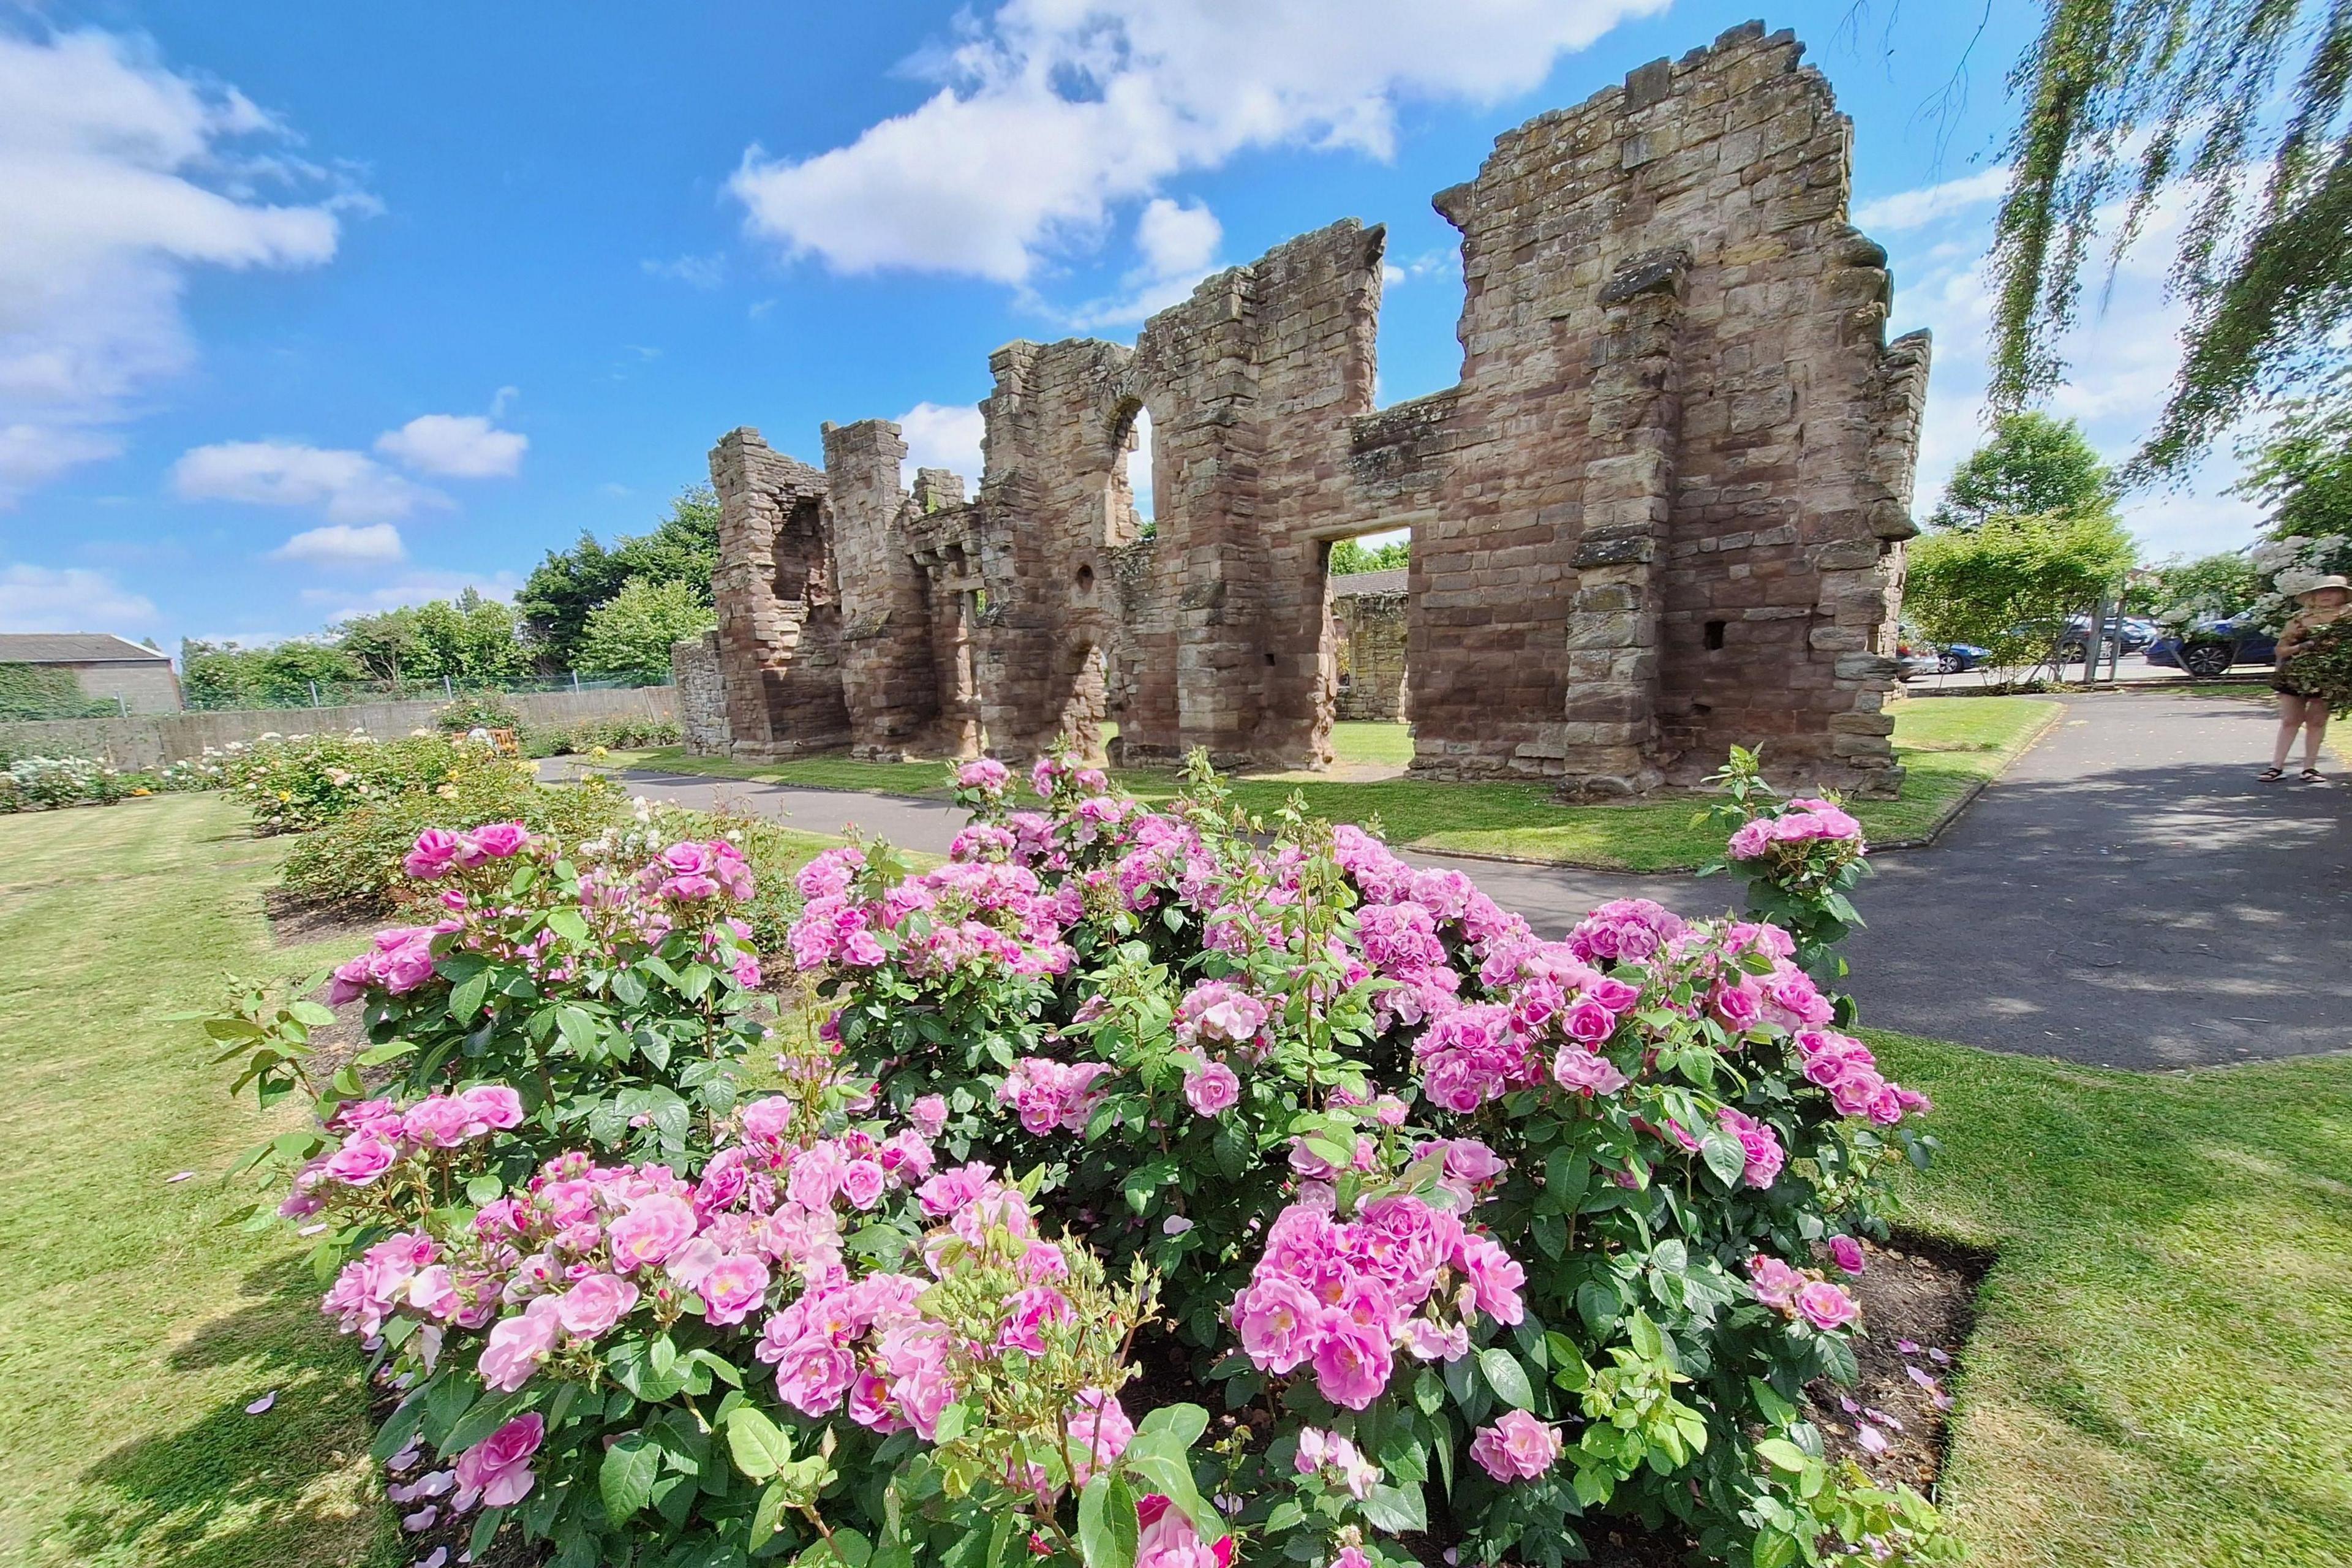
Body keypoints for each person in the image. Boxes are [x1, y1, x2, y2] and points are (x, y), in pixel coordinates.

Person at [2261, 575, 2351, 782]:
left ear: (2343, 595)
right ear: (2313, 596)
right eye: (2321, 591)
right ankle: (2276, 767)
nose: (2326, 595)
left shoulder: (2348, 618)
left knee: (2317, 721)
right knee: (2290, 720)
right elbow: (2281, 651)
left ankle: (2310, 768)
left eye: (2332, 591)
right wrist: (2304, 646)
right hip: (2295, 675)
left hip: (2332, 677)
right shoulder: (2300, 620)